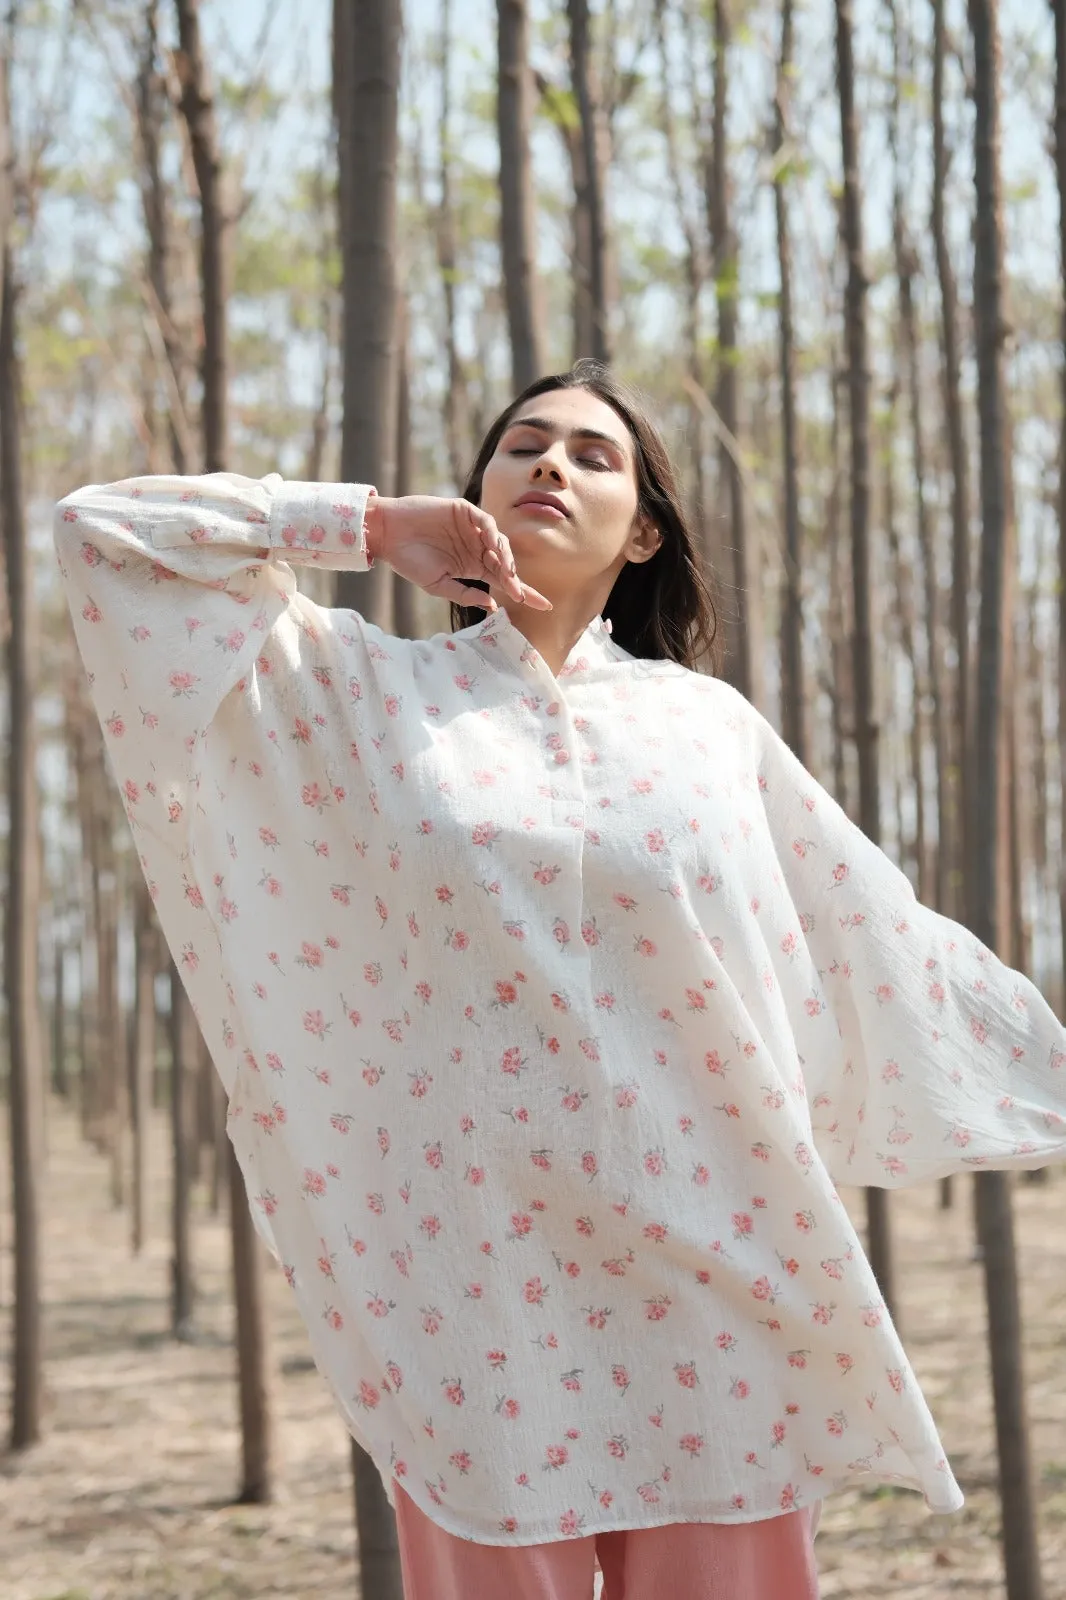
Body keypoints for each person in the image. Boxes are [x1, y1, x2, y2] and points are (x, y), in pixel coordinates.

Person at [55, 360, 1066, 1600]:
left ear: (644, 532)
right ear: (474, 487)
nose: (549, 464)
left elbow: (875, 934)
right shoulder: (361, 692)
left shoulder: (707, 726)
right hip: (476, 1289)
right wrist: (367, 526)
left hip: (715, 1280)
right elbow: (102, 532)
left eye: (594, 455)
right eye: (521, 445)